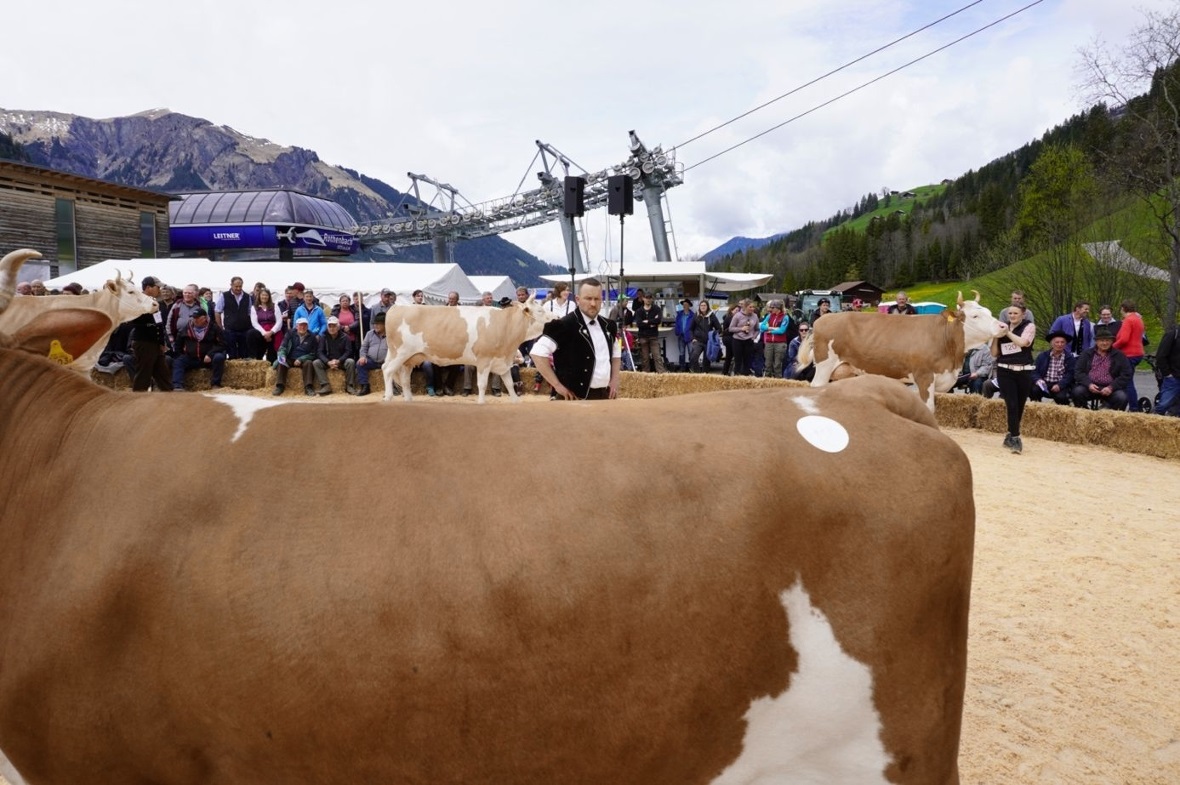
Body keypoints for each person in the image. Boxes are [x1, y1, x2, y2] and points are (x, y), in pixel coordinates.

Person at [530, 278, 620, 400]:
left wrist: (614, 379)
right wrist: (557, 386)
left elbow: (616, 353)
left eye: (597, 299)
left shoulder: (609, 325)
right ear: (577, 299)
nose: (593, 303)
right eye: (588, 298)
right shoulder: (563, 325)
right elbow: (537, 353)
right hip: (573, 398)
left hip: (604, 396)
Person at [991, 304, 1036, 454]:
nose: (1012, 315)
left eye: (1015, 313)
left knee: (1020, 405)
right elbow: (994, 353)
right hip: (1005, 370)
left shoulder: (1029, 326)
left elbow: (1023, 343)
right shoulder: (1002, 329)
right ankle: (1016, 438)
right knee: (1011, 404)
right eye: (1010, 313)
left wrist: (1007, 332)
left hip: (1024, 371)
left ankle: (1010, 434)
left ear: (1023, 314)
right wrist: (996, 337)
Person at [127, 275, 172, 392]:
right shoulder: (137, 301)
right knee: (143, 374)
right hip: (144, 341)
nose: (159, 289)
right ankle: (138, 399)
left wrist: (161, 342)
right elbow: (133, 321)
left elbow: (159, 324)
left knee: (163, 373)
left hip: (155, 343)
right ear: (148, 287)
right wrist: (149, 325)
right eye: (157, 287)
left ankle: (170, 398)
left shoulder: (154, 301)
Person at [1071, 326, 1132, 410]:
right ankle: (1085, 416)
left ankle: (1111, 419)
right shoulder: (1087, 354)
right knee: (1077, 392)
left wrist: (1111, 387)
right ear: (1096, 341)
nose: (1104, 343)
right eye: (1102, 340)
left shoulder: (1119, 355)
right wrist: (1089, 384)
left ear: (1112, 342)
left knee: (1122, 397)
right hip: (1090, 386)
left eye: (1107, 340)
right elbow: (1078, 372)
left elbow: (1126, 374)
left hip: (1111, 388)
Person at [171, 308, 227, 391]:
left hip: (208, 359)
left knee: (219, 357)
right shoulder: (186, 329)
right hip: (191, 358)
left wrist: (210, 354)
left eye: (197, 318)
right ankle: (178, 386)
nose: (194, 320)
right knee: (178, 361)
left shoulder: (214, 328)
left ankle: (215, 384)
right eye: (193, 318)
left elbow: (222, 344)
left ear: (204, 318)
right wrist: (182, 355)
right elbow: (178, 345)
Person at [273, 316, 320, 396]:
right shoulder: (290, 333)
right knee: (281, 363)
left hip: (303, 359)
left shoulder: (312, 337)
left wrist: (301, 359)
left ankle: (308, 387)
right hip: (290, 357)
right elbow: (283, 347)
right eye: (301, 325)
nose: (303, 327)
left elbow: (314, 354)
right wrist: (282, 356)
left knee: (309, 363)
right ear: (296, 326)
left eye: (305, 325)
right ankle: (280, 386)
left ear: (307, 326)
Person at [1113, 299, 1146, 411]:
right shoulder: (1138, 319)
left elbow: (1124, 339)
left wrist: (1112, 347)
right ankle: (1132, 407)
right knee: (1128, 380)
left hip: (1129, 354)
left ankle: (1133, 408)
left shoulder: (1128, 320)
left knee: (1127, 382)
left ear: (1123, 308)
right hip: (1138, 352)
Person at [1031, 330, 1076, 406]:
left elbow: (1070, 374)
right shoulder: (1042, 356)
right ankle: (1037, 412)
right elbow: (1034, 371)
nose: (1059, 344)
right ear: (1051, 343)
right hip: (1044, 383)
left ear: (1065, 344)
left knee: (1061, 397)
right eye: (1057, 342)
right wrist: (1038, 380)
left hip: (1060, 384)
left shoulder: (1070, 358)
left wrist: (1060, 385)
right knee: (1033, 390)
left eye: (1062, 342)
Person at [312, 316, 354, 396]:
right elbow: (319, 352)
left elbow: (348, 351)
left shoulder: (345, 337)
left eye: (334, 326)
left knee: (351, 362)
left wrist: (339, 361)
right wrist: (328, 362)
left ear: (338, 327)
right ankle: (325, 385)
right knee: (316, 362)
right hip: (328, 362)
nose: (332, 328)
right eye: (330, 326)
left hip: (341, 362)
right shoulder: (323, 337)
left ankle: (350, 386)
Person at [215, 276, 255, 360]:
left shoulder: (248, 297)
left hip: (245, 329)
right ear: (231, 285)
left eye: (240, 286)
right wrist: (220, 327)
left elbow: (250, 313)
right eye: (236, 286)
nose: (238, 288)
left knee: (244, 354)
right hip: (230, 330)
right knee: (232, 355)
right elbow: (217, 312)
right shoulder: (224, 295)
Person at [355, 311, 390, 397]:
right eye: (375, 324)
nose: (375, 326)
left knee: (394, 367)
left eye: (378, 324)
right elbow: (364, 347)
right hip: (371, 361)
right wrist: (362, 356)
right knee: (360, 364)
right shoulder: (369, 334)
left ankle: (393, 387)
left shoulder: (391, 335)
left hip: (386, 362)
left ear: (385, 325)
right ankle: (365, 386)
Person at [633, 292, 666, 373]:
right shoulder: (639, 311)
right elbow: (639, 324)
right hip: (643, 337)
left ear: (652, 299)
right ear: (643, 298)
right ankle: (645, 376)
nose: (648, 299)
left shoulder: (656, 309)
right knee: (645, 358)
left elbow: (658, 321)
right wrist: (651, 323)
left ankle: (662, 375)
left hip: (653, 336)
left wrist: (646, 322)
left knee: (657, 357)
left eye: (649, 298)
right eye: (646, 297)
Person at [759, 299, 790, 379]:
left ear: (778, 308)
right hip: (769, 342)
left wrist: (769, 330)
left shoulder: (785, 317)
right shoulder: (769, 316)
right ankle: (766, 380)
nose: (770, 309)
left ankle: (778, 381)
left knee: (777, 365)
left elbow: (782, 330)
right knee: (767, 364)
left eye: (772, 308)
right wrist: (772, 328)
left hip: (780, 343)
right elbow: (762, 327)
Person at [167, 284, 204, 352]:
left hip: (194, 338)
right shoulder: (177, 305)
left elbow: (205, 321)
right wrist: (170, 336)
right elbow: (169, 321)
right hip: (177, 337)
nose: (187, 295)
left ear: (195, 294)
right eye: (185, 293)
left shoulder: (200, 306)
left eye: (189, 293)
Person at [687, 300, 721, 373]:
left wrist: (713, 336)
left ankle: (705, 375)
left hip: (708, 342)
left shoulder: (712, 316)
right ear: (699, 307)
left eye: (704, 305)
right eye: (701, 305)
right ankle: (697, 373)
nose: (703, 307)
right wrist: (693, 338)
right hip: (698, 341)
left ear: (707, 306)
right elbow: (691, 329)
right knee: (693, 357)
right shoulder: (696, 315)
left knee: (706, 361)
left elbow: (719, 329)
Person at [728, 299, 760, 376]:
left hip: (749, 341)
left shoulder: (755, 316)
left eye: (753, 307)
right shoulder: (737, 315)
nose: (752, 309)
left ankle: (745, 378)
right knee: (738, 360)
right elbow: (731, 328)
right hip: (737, 340)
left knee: (747, 361)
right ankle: (736, 376)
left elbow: (757, 329)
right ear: (745, 307)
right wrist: (741, 329)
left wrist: (753, 337)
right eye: (750, 307)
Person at [250, 287, 282, 362]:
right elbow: (254, 323)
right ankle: (253, 358)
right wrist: (265, 333)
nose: (264, 297)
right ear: (259, 296)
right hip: (261, 332)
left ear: (269, 297)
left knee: (272, 357)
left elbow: (279, 321)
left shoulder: (275, 306)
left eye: (266, 295)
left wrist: (271, 332)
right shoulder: (254, 307)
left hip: (273, 331)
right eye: (262, 295)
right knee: (250, 334)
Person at [1154, 322, 1180, 416]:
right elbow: (1161, 356)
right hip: (1174, 378)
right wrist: (1167, 374)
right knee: (1163, 406)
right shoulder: (1173, 335)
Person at [673, 298, 695, 371]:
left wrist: (693, 336)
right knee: (681, 353)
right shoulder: (679, 314)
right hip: (681, 336)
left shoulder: (693, 315)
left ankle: (692, 368)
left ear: (689, 306)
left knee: (691, 353)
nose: (685, 306)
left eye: (686, 304)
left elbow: (695, 326)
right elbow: (677, 324)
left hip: (689, 337)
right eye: (684, 304)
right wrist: (677, 331)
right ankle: (682, 368)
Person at [721, 304, 740, 376]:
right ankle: (732, 372)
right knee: (734, 356)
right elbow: (732, 329)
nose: (737, 312)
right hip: (730, 338)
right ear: (732, 310)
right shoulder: (730, 318)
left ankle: (725, 372)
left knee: (729, 357)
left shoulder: (727, 317)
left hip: (728, 338)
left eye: (739, 311)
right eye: (736, 310)